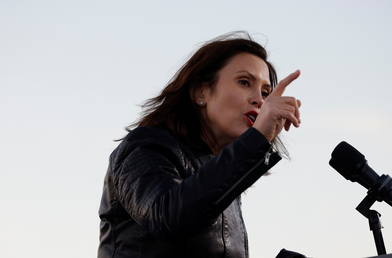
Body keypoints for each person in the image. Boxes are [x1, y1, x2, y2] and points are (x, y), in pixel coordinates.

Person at [98, 32, 303, 258]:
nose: (259, 100)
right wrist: (255, 140)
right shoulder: (144, 147)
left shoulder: (222, 176)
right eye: (244, 82)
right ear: (200, 93)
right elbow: (168, 217)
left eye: (265, 92)